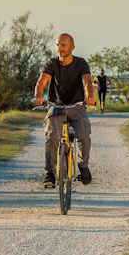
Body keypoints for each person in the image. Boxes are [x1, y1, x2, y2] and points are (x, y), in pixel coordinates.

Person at [33, 33, 95, 187]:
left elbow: (87, 82)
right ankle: (50, 174)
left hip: (77, 106)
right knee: (52, 137)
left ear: (72, 47)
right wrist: (38, 96)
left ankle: (83, 166)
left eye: (63, 45)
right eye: (58, 45)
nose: (60, 48)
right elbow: (42, 81)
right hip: (56, 107)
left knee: (84, 135)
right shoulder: (52, 63)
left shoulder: (81, 63)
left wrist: (90, 96)